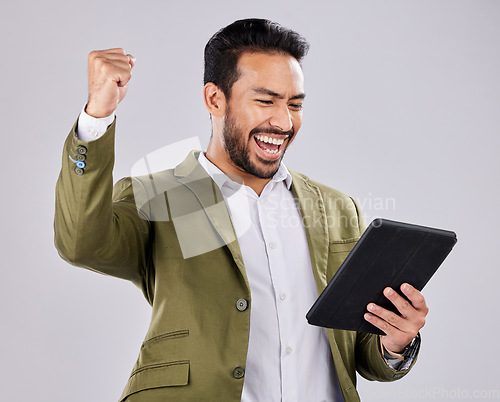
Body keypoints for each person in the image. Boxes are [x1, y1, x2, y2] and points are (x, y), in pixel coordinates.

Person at [54, 18, 428, 402]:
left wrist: (395, 342)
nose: (283, 122)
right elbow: (81, 242)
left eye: (295, 104)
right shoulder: (162, 194)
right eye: (266, 101)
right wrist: (96, 117)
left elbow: (358, 348)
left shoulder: (336, 209)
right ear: (215, 99)